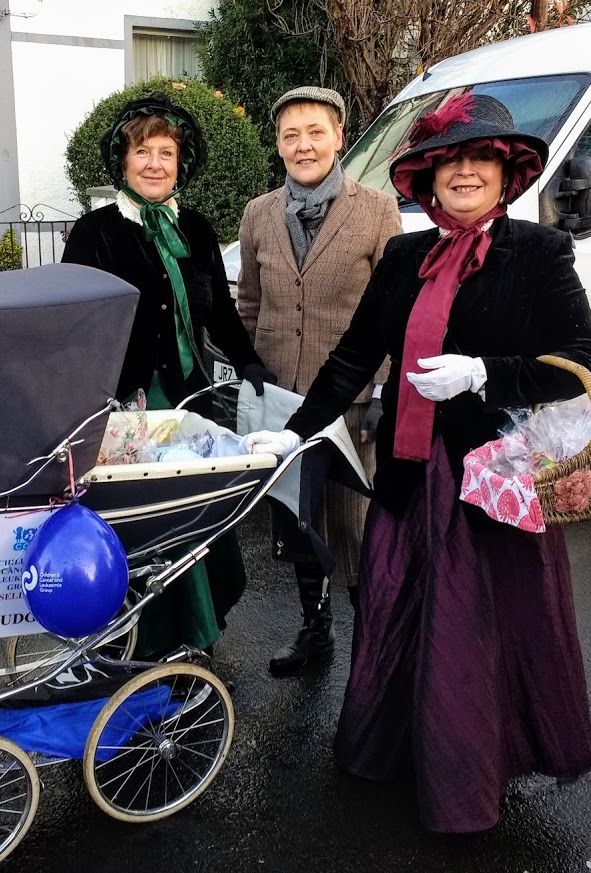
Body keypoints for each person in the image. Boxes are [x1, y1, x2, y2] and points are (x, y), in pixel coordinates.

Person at [241, 93, 591, 833]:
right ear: (430, 177)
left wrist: (484, 373)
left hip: (493, 478)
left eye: (480, 159)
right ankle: (401, 747)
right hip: (410, 472)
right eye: (450, 161)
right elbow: (353, 357)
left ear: (505, 172)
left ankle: (465, 775)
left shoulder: (539, 252)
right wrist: (294, 432)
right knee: (397, 610)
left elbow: (579, 363)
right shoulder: (405, 257)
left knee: (469, 628)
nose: (464, 172)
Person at [61, 92, 275, 658]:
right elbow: (75, 323)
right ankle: (142, 640)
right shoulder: (95, 232)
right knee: (141, 521)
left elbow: (220, 310)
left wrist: (248, 360)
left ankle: (195, 635)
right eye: (142, 152)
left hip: (188, 399)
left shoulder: (196, 230)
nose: (154, 164)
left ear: (181, 163)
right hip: (125, 405)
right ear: (123, 161)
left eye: (166, 153)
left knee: (194, 511)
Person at [236, 86, 401, 676]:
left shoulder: (377, 210)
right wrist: (251, 371)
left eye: (315, 132)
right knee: (297, 520)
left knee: (355, 526)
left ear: (338, 137)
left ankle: (374, 647)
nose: (303, 145)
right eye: (290, 135)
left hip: (351, 400)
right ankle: (316, 628)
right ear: (278, 145)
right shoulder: (258, 213)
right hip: (281, 401)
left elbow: (395, 310)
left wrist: (383, 388)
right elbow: (250, 303)